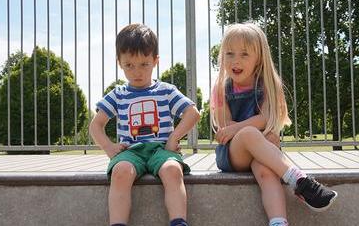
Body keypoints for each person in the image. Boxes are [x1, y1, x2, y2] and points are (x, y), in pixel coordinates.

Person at [211, 22, 337, 226]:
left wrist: (250, 131)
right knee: (251, 134)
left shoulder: (269, 83)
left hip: (263, 151)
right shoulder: (221, 87)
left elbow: (268, 118)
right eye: (229, 53)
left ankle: (278, 222)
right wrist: (241, 130)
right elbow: (226, 126)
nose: (235, 60)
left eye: (244, 54)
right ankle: (299, 179)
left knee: (267, 170)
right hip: (233, 153)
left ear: (259, 57)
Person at [89, 23, 200, 226]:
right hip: (131, 151)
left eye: (144, 64)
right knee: (120, 171)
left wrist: (174, 138)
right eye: (129, 65)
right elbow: (96, 125)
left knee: (172, 171)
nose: (136, 72)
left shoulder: (166, 90)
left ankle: (178, 222)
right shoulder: (118, 94)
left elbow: (192, 113)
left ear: (155, 61)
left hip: (161, 149)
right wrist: (109, 147)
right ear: (119, 63)